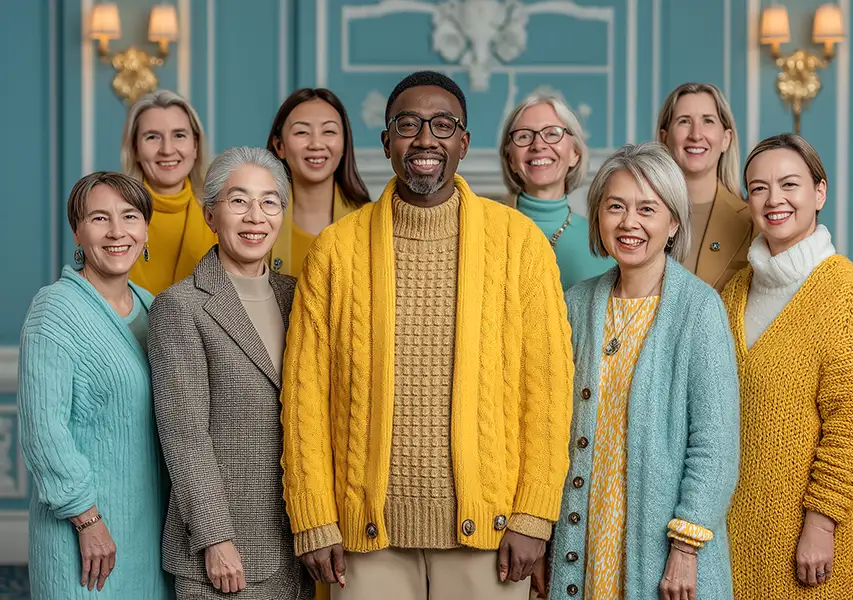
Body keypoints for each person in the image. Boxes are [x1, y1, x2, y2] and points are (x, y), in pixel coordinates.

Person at [280, 70, 573, 600]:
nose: (424, 138)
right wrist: (313, 514)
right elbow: (304, 396)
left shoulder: (520, 245)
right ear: (386, 140)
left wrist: (535, 513)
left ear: (464, 142)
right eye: (408, 124)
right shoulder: (335, 249)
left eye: (442, 125)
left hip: (492, 531)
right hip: (365, 535)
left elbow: (548, 391)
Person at [547, 143, 739, 600]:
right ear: (598, 217)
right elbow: (551, 424)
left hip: (664, 548)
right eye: (616, 207)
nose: (629, 223)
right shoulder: (577, 303)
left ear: (673, 223)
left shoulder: (698, 309)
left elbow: (715, 442)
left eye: (647, 209)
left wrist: (686, 547)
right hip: (584, 537)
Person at [722, 133, 853, 599]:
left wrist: (820, 525)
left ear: (819, 192)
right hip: (736, 530)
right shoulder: (735, 291)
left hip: (811, 540)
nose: (773, 199)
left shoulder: (846, 295)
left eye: (789, 185)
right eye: (758, 188)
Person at [148, 147, 312, 599]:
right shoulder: (181, 307)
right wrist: (215, 539)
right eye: (238, 201)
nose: (255, 216)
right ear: (211, 215)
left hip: (299, 543)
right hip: (223, 557)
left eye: (269, 202)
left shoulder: (298, 297)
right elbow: (185, 436)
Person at [17, 172, 171, 599]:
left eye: (130, 216)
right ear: (78, 231)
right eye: (100, 218)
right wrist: (87, 520)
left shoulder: (152, 306)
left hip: (147, 531)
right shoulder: (54, 309)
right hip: (84, 538)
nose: (117, 231)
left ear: (145, 229)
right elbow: (44, 432)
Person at [499, 93, 615, 289]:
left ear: (575, 154)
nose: (538, 145)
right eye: (524, 136)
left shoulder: (603, 239)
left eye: (552, 133)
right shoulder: (486, 228)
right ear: (511, 159)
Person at [657, 82, 752, 291]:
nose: (696, 134)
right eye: (684, 121)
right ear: (665, 138)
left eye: (708, 121)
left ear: (726, 139)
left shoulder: (753, 221)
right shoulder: (639, 214)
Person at [266, 88, 371, 275]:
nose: (316, 144)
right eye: (302, 132)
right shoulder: (256, 220)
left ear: (344, 145)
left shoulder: (370, 223)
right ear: (279, 146)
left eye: (329, 131)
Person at [122, 89, 217, 294]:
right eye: (153, 137)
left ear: (195, 145)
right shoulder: (111, 215)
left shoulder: (221, 214)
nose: (167, 149)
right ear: (135, 149)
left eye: (179, 135)